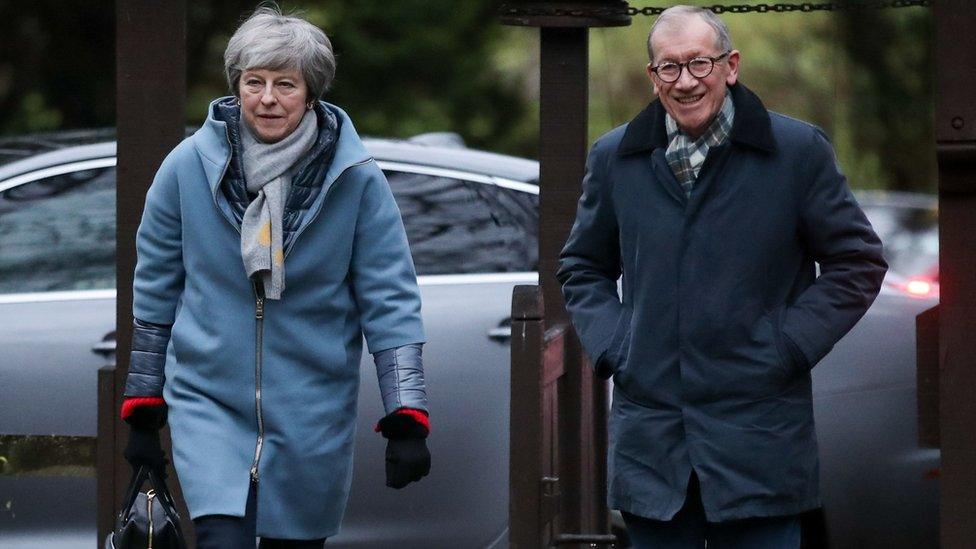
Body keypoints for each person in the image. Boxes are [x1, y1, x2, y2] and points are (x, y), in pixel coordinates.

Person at [556, 5, 887, 548]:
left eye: (699, 64)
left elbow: (858, 262)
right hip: (654, 448)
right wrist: (620, 346)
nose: (685, 81)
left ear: (730, 66)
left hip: (759, 442)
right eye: (669, 67)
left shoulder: (796, 151)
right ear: (653, 77)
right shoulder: (617, 157)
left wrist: (787, 344)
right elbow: (582, 266)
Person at [119, 6, 431, 547]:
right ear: (236, 87)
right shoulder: (185, 166)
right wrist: (145, 403)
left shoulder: (356, 180)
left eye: (285, 84)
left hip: (313, 407)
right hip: (207, 399)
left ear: (311, 94)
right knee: (222, 538)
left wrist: (406, 412)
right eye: (253, 82)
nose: (267, 98)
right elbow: (156, 285)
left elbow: (390, 297)